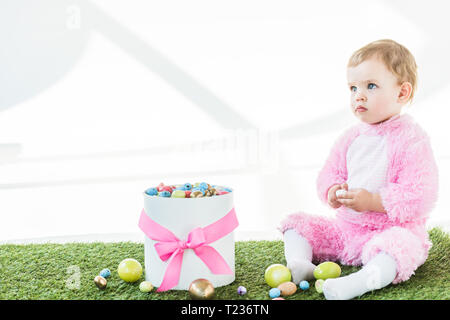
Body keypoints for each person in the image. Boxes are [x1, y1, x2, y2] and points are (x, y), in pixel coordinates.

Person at [279, 39, 439, 300]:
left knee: (401, 247)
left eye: (371, 86)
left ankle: (361, 281)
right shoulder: (350, 137)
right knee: (298, 223)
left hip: (389, 231)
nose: (358, 96)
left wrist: (374, 201)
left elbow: (421, 194)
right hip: (347, 230)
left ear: (402, 93)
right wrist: (333, 191)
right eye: (353, 88)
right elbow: (331, 173)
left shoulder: (411, 139)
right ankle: (300, 264)